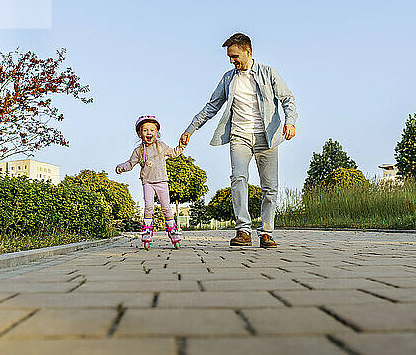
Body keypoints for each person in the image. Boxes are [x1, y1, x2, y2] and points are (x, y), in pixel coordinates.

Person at [180, 33, 297, 248]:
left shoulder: (268, 73)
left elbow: (287, 98)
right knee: (238, 178)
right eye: (229, 57)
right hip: (239, 135)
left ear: (248, 51)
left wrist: (290, 122)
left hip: (268, 137)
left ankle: (266, 232)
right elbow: (211, 106)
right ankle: (243, 231)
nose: (232, 61)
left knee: (270, 188)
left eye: (235, 56)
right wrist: (191, 129)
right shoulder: (228, 78)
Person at [116, 115, 184, 250]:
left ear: (157, 133)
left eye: (152, 130)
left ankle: (173, 230)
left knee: (166, 208)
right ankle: (147, 230)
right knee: (148, 207)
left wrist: (181, 146)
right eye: (145, 130)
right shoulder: (139, 151)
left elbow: (174, 153)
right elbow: (130, 164)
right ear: (139, 134)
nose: (149, 133)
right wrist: (121, 167)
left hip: (162, 181)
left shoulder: (161, 146)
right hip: (148, 182)